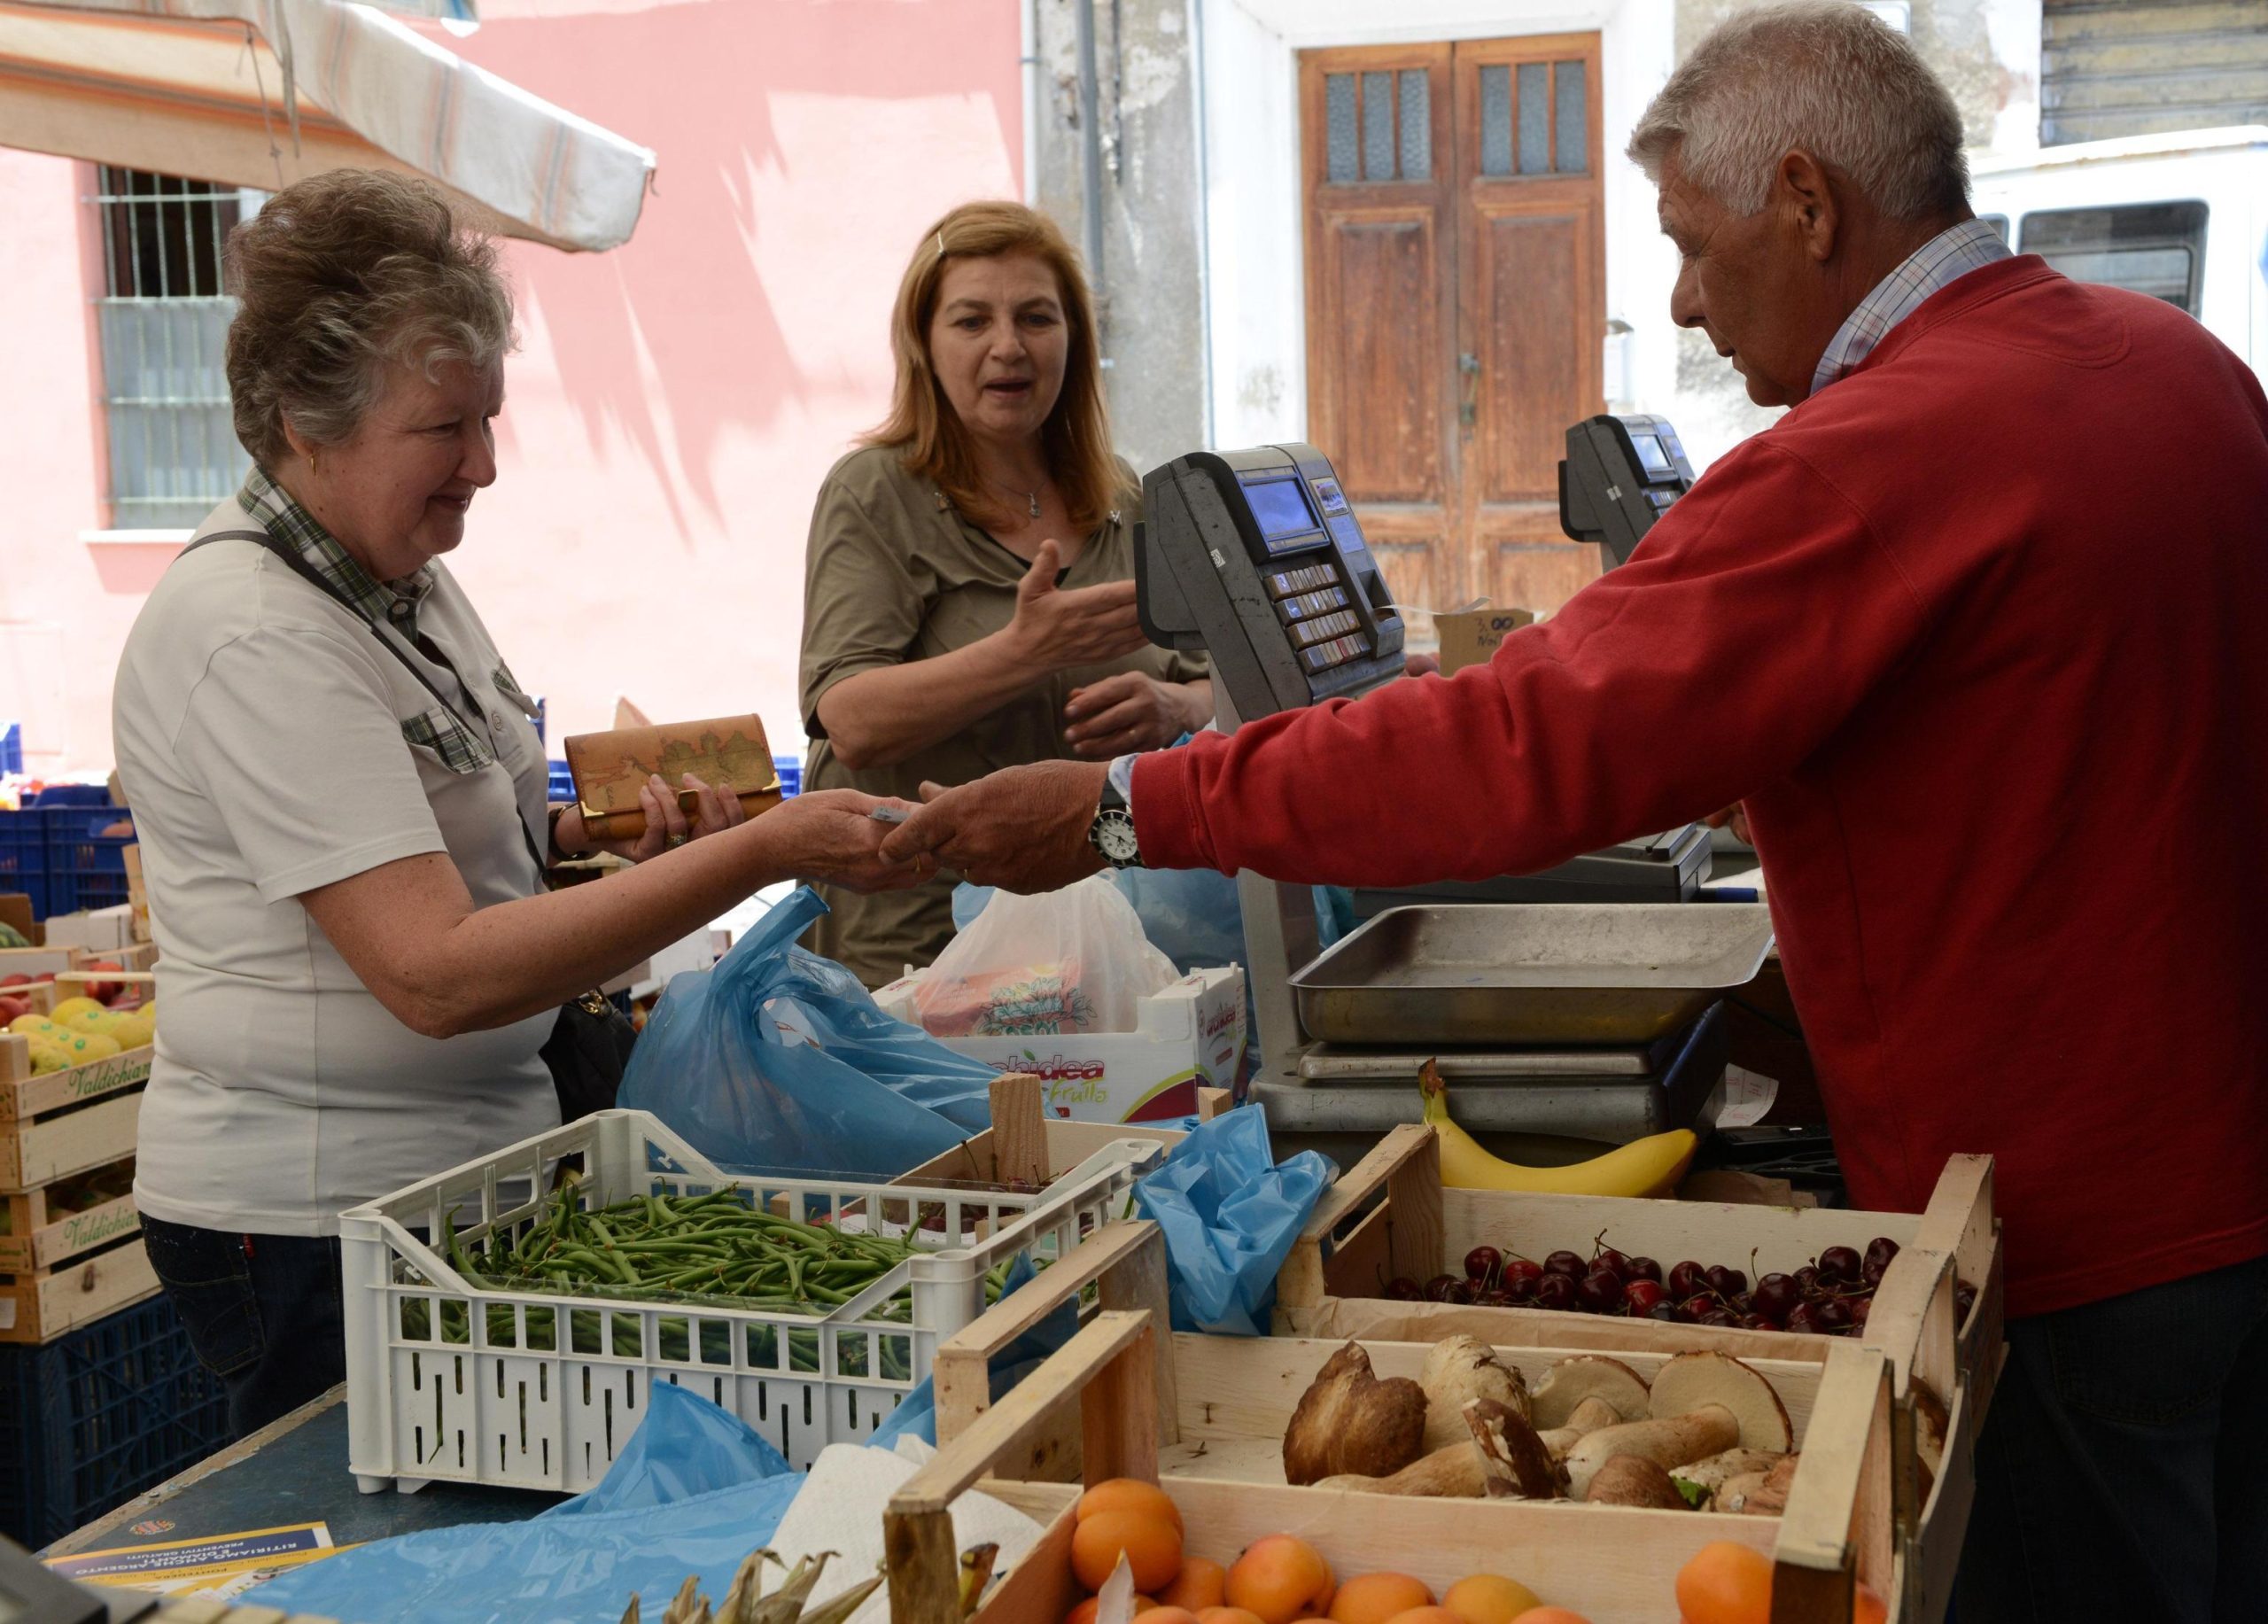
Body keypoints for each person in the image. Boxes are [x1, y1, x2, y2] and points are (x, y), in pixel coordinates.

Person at [882, 4, 2268, 1616]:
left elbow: (1522, 741)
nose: (1680, 297)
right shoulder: (2182, 367)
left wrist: (1130, 806)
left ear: (1808, 204)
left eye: (1689, 242)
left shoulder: (1872, 455)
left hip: (2078, 1233)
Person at [113, 170, 920, 1434]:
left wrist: (600, 834)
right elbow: (432, 972)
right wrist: (759, 851)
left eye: (489, 418)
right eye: (446, 428)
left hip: (463, 1178)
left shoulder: (398, 576)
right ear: (309, 424)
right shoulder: (252, 633)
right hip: (322, 1220)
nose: (484, 466)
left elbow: (459, 824)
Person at [796, 200, 1212, 986]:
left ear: (1074, 339)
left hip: (1099, 934)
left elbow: (1213, 679)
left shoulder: (1123, 495)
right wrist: (1026, 653)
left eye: (1036, 317)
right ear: (923, 342)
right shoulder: (874, 492)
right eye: (971, 320)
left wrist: (1176, 707)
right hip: (919, 946)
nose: (1008, 346)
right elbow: (850, 719)